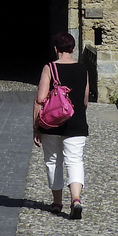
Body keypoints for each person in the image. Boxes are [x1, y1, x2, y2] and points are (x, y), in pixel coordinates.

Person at [33, 31, 89, 219]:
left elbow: (40, 99)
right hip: (76, 123)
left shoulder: (49, 68)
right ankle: (76, 199)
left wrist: (36, 127)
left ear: (56, 49)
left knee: (52, 162)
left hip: (52, 124)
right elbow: (85, 100)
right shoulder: (83, 69)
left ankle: (57, 203)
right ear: (73, 49)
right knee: (75, 160)